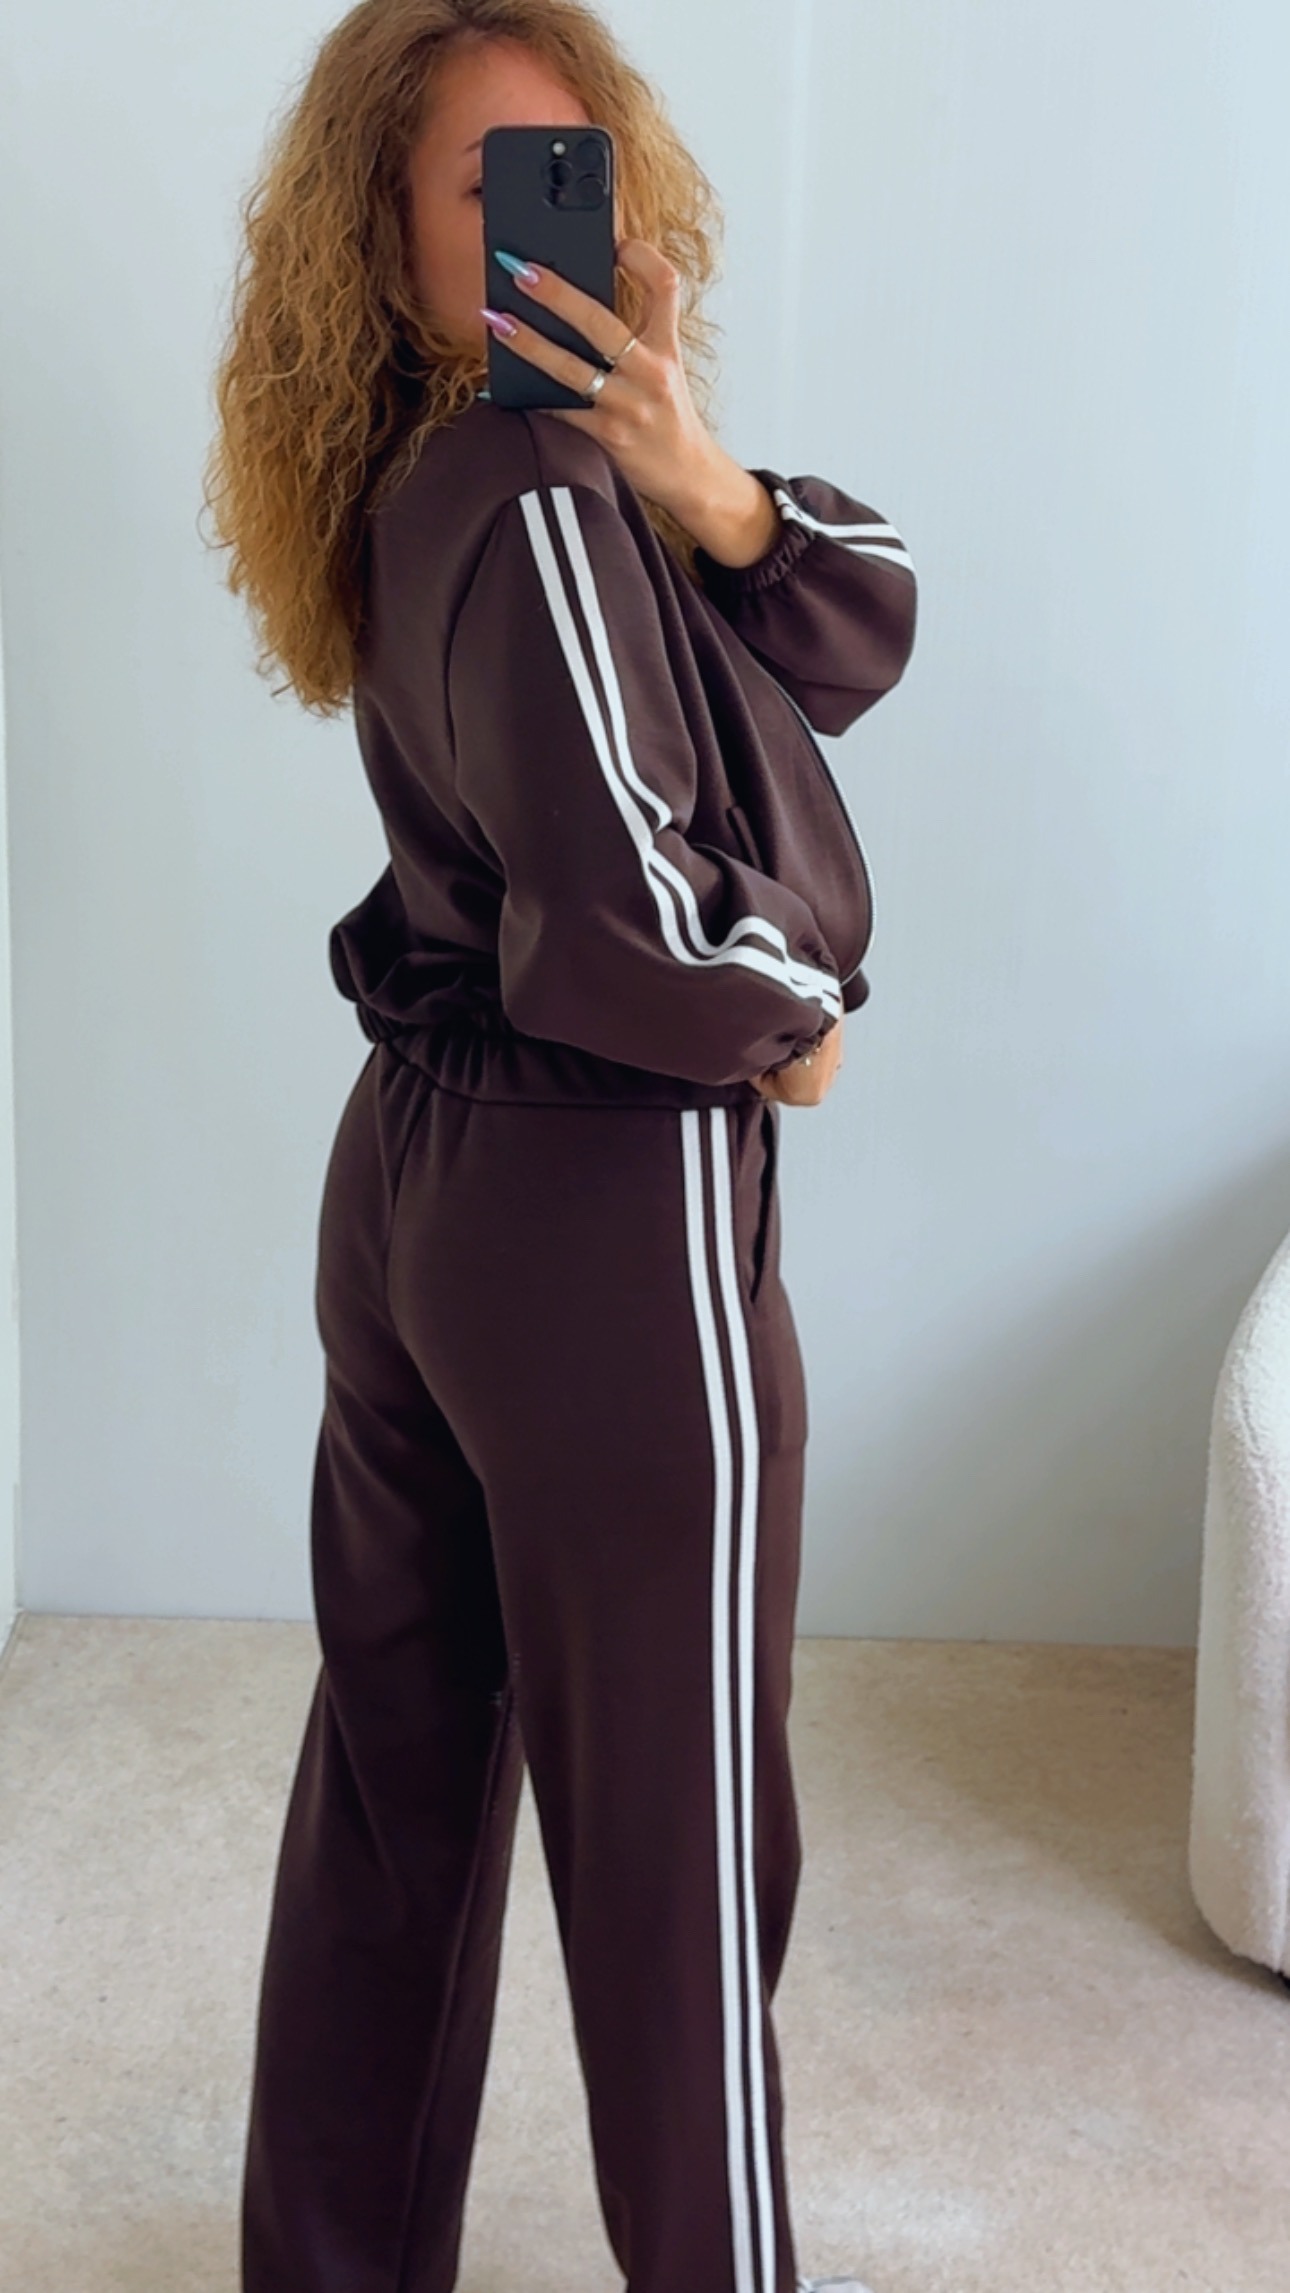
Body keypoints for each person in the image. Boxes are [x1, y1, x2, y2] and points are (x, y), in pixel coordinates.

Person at [203, 4, 917, 2290]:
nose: (554, 226)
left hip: (420, 1186)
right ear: (387, 237)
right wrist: (800, 1020)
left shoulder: (477, 469)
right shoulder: (528, 493)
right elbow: (624, 903)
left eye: (578, 169)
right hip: (607, 1205)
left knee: (398, 1778)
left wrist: (702, 481)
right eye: (488, 185)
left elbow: (859, 621)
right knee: (679, 1846)